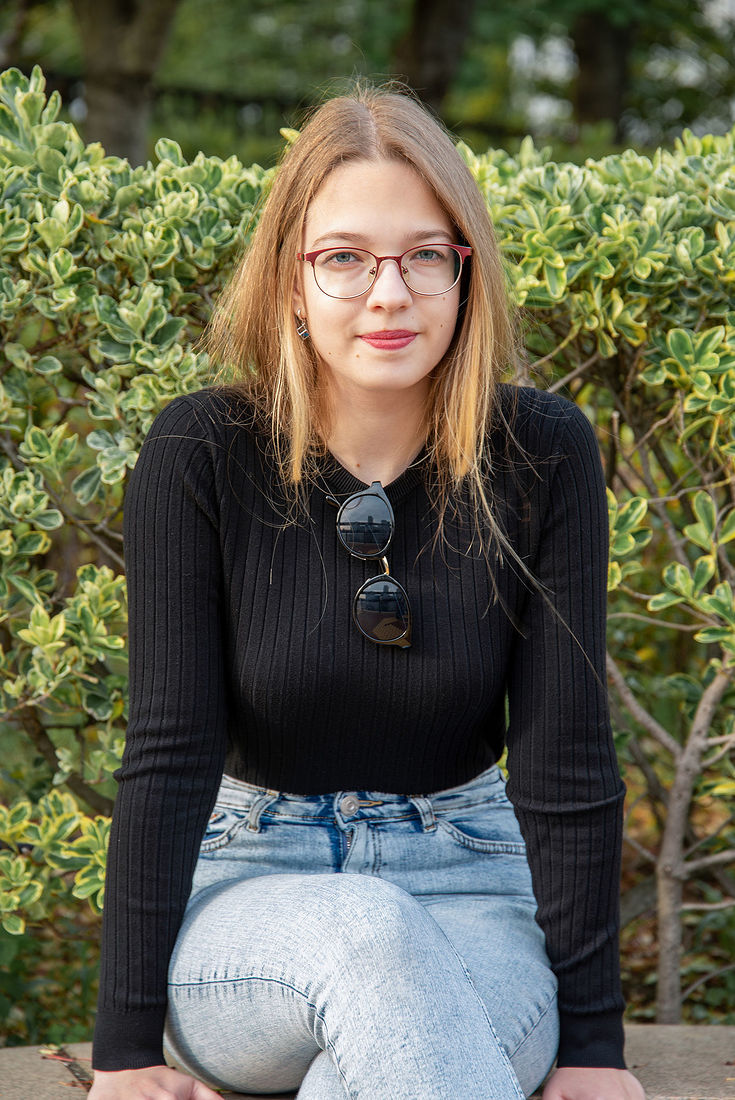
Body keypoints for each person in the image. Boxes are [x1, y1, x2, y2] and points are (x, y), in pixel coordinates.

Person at [89, 85, 645, 1100]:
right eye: (344, 258)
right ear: (291, 283)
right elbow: (167, 755)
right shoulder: (201, 450)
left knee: (371, 1063)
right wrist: (125, 1054)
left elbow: (565, 762)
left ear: (465, 273)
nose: (389, 293)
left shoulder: (541, 452)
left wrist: (593, 1051)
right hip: (251, 900)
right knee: (373, 934)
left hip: (472, 891)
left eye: (425, 255)